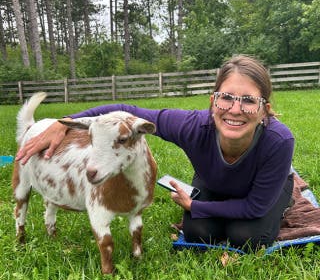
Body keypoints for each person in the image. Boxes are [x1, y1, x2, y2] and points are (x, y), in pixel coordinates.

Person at [16, 55, 294, 252]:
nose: (235, 109)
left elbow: (255, 207)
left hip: (259, 193)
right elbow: (127, 111)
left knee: (245, 236)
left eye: (249, 101)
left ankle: (283, 203)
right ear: (213, 101)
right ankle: (219, 209)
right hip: (215, 183)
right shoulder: (193, 127)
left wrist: (196, 206)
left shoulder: (279, 141)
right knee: (199, 235)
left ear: (265, 109)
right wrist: (61, 124)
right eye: (227, 97)